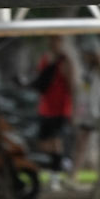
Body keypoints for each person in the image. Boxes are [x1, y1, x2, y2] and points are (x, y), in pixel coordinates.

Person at [32, 38, 75, 168]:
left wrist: (73, 108)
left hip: (60, 109)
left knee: (56, 141)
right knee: (44, 142)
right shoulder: (44, 59)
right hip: (45, 107)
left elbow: (71, 85)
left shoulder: (65, 61)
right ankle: (52, 168)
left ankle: (57, 171)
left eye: (56, 40)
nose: (53, 43)